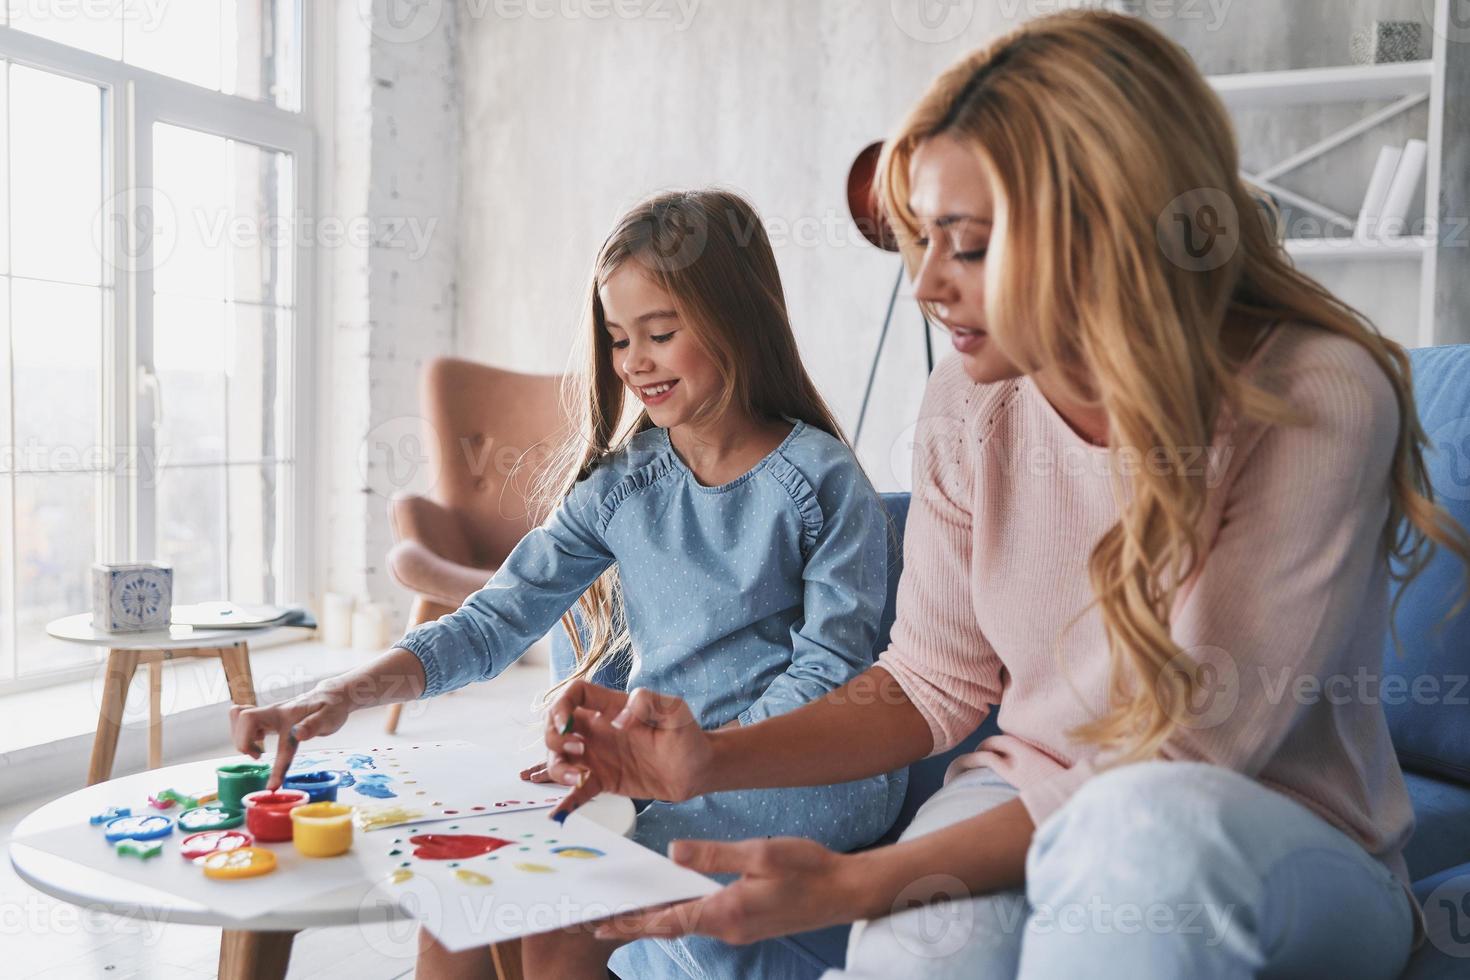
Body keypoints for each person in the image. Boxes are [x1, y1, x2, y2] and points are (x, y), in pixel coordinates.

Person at [542, 12, 1470, 979]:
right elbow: (930, 683)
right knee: (915, 949)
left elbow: (1185, 755)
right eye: (923, 241)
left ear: (1096, 232)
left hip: (1270, 834)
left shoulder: (1312, 395)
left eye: (968, 245)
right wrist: (711, 758)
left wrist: (862, 880)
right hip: (1021, 795)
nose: (926, 286)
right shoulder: (967, 404)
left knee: (1136, 843)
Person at [227, 189, 906, 979]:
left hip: (800, 772)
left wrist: (691, 761)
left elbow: (830, 674)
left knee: (556, 909)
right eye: (619, 339)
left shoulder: (820, 479)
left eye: (660, 332)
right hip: (663, 768)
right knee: (458, 897)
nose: (635, 362)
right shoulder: (623, 486)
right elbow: (492, 622)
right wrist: (341, 695)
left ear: (738, 322)